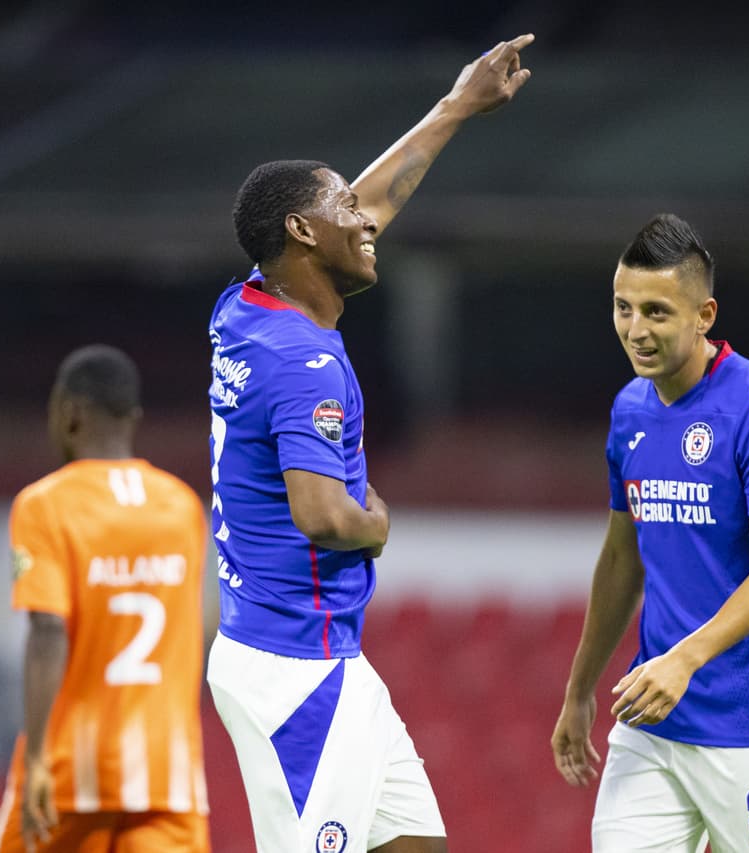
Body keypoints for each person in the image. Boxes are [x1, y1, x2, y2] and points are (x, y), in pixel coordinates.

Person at [204, 36, 533, 853]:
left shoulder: (246, 306)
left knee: (414, 842)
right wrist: (375, 525)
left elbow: (369, 207)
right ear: (301, 231)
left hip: (308, 652)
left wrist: (457, 106)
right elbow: (322, 514)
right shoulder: (302, 360)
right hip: (297, 666)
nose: (365, 218)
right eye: (343, 207)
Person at [550, 214, 749, 852]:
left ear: (704, 315)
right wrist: (579, 690)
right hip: (654, 723)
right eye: (623, 308)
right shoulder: (630, 410)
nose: (635, 330)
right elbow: (622, 559)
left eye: (656, 311)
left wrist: (685, 658)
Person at [0, 345, 210, 853]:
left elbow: (48, 631)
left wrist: (36, 759)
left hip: (70, 772)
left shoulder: (45, 504)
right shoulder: (181, 506)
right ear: (133, 418)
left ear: (68, 412)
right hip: (168, 774)